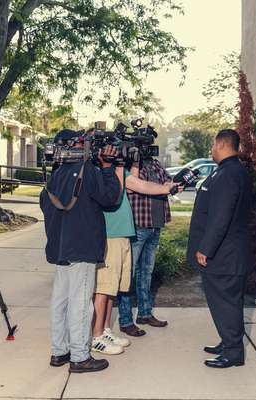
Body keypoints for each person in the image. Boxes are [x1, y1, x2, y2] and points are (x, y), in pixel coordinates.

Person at [40, 129, 121, 373]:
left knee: (60, 301)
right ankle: (79, 356)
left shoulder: (54, 177)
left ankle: (59, 351)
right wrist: (107, 168)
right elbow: (111, 198)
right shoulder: (90, 173)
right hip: (82, 248)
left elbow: (46, 206)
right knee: (80, 303)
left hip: (60, 248)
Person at [92, 160, 179, 354]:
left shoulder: (121, 171)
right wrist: (130, 164)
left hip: (126, 233)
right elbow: (134, 188)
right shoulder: (107, 172)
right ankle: (98, 334)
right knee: (105, 288)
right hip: (114, 234)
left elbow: (148, 185)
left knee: (113, 287)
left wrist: (169, 187)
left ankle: (105, 330)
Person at [187, 129, 253, 368]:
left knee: (227, 302)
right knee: (224, 302)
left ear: (222, 144)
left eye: (214, 146)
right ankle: (228, 342)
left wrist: (206, 248)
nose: (212, 150)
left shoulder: (228, 174)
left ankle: (233, 352)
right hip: (227, 252)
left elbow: (221, 216)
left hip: (225, 255)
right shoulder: (230, 171)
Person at [117, 155, 173, 337]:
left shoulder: (155, 163)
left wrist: (176, 184)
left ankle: (144, 313)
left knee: (146, 273)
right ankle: (125, 320)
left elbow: (168, 183)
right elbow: (133, 189)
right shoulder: (129, 165)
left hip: (155, 225)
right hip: (138, 225)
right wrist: (134, 162)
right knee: (129, 274)